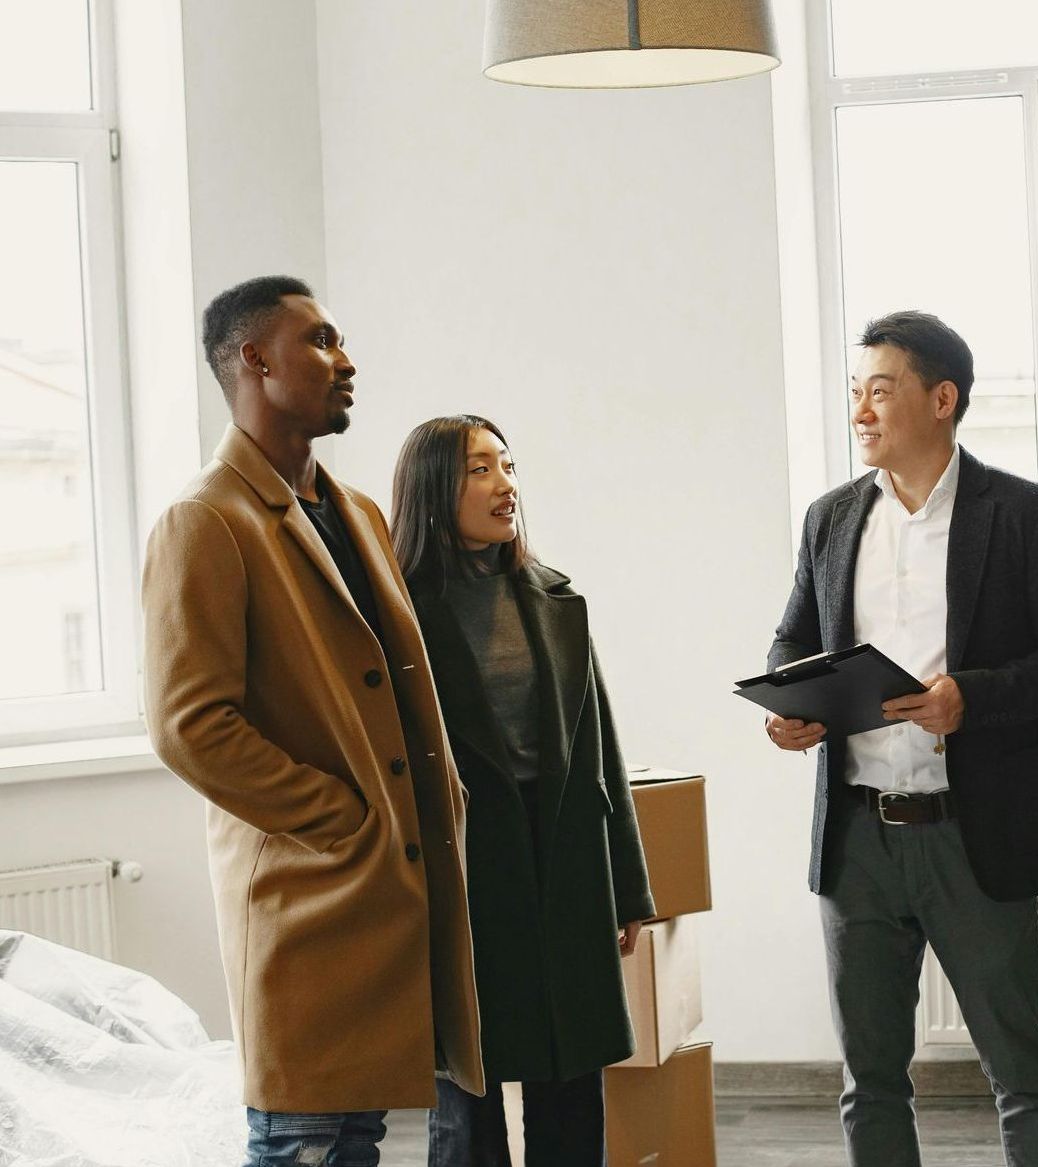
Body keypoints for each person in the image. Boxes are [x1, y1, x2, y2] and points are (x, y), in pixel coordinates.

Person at [142, 276, 483, 1167]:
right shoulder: (204, 519)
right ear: (255, 358)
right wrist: (344, 817)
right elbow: (190, 724)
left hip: (383, 896)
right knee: (302, 1139)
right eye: (324, 341)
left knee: (352, 1139)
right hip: (304, 900)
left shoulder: (357, 511)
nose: (348, 361)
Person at [767, 310, 1038, 1167]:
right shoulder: (831, 518)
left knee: (1021, 1072)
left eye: (880, 392)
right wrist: (789, 704)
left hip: (977, 829)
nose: (861, 412)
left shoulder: (1024, 513)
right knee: (870, 1077)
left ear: (941, 398)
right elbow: (792, 637)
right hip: (856, 838)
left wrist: (973, 697)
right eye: (855, 394)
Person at [390, 414, 655, 1166]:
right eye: (480, 469)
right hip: (469, 869)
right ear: (434, 487)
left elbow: (601, 748)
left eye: (508, 466)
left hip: (565, 863)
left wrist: (627, 889)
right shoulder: (397, 616)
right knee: (468, 1100)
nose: (505, 485)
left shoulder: (555, 598)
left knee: (572, 1082)